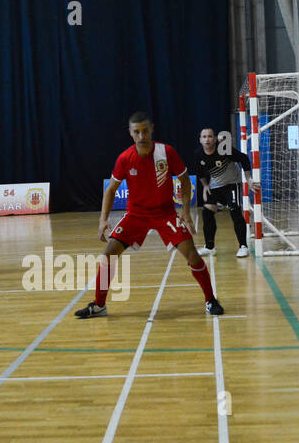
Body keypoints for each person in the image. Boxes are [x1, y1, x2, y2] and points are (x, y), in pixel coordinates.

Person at [75, 111, 223, 318]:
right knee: (108, 255)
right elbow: (110, 190)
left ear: (152, 129)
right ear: (130, 133)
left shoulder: (167, 152)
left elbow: (184, 180)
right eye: (137, 132)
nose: (142, 136)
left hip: (165, 214)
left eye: (145, 131)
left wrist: (186, 213)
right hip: (136, 215)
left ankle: (210, 300)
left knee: (193, 255)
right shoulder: (125, 158)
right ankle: (99, 305)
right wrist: (103, 220)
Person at [193, 127, 250, 256]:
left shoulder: (224, 149)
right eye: (204, 137)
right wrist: (205, 186)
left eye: (210, 136)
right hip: (215, 185)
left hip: (232, 183)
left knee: (235, 210)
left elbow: (244, 158)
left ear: (214, 139)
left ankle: (243, 246)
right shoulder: (198, 155)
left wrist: (249, 179)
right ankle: (209, 247)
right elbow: (199, 172)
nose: (207, 139)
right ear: (200, 140)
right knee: (207, 211)